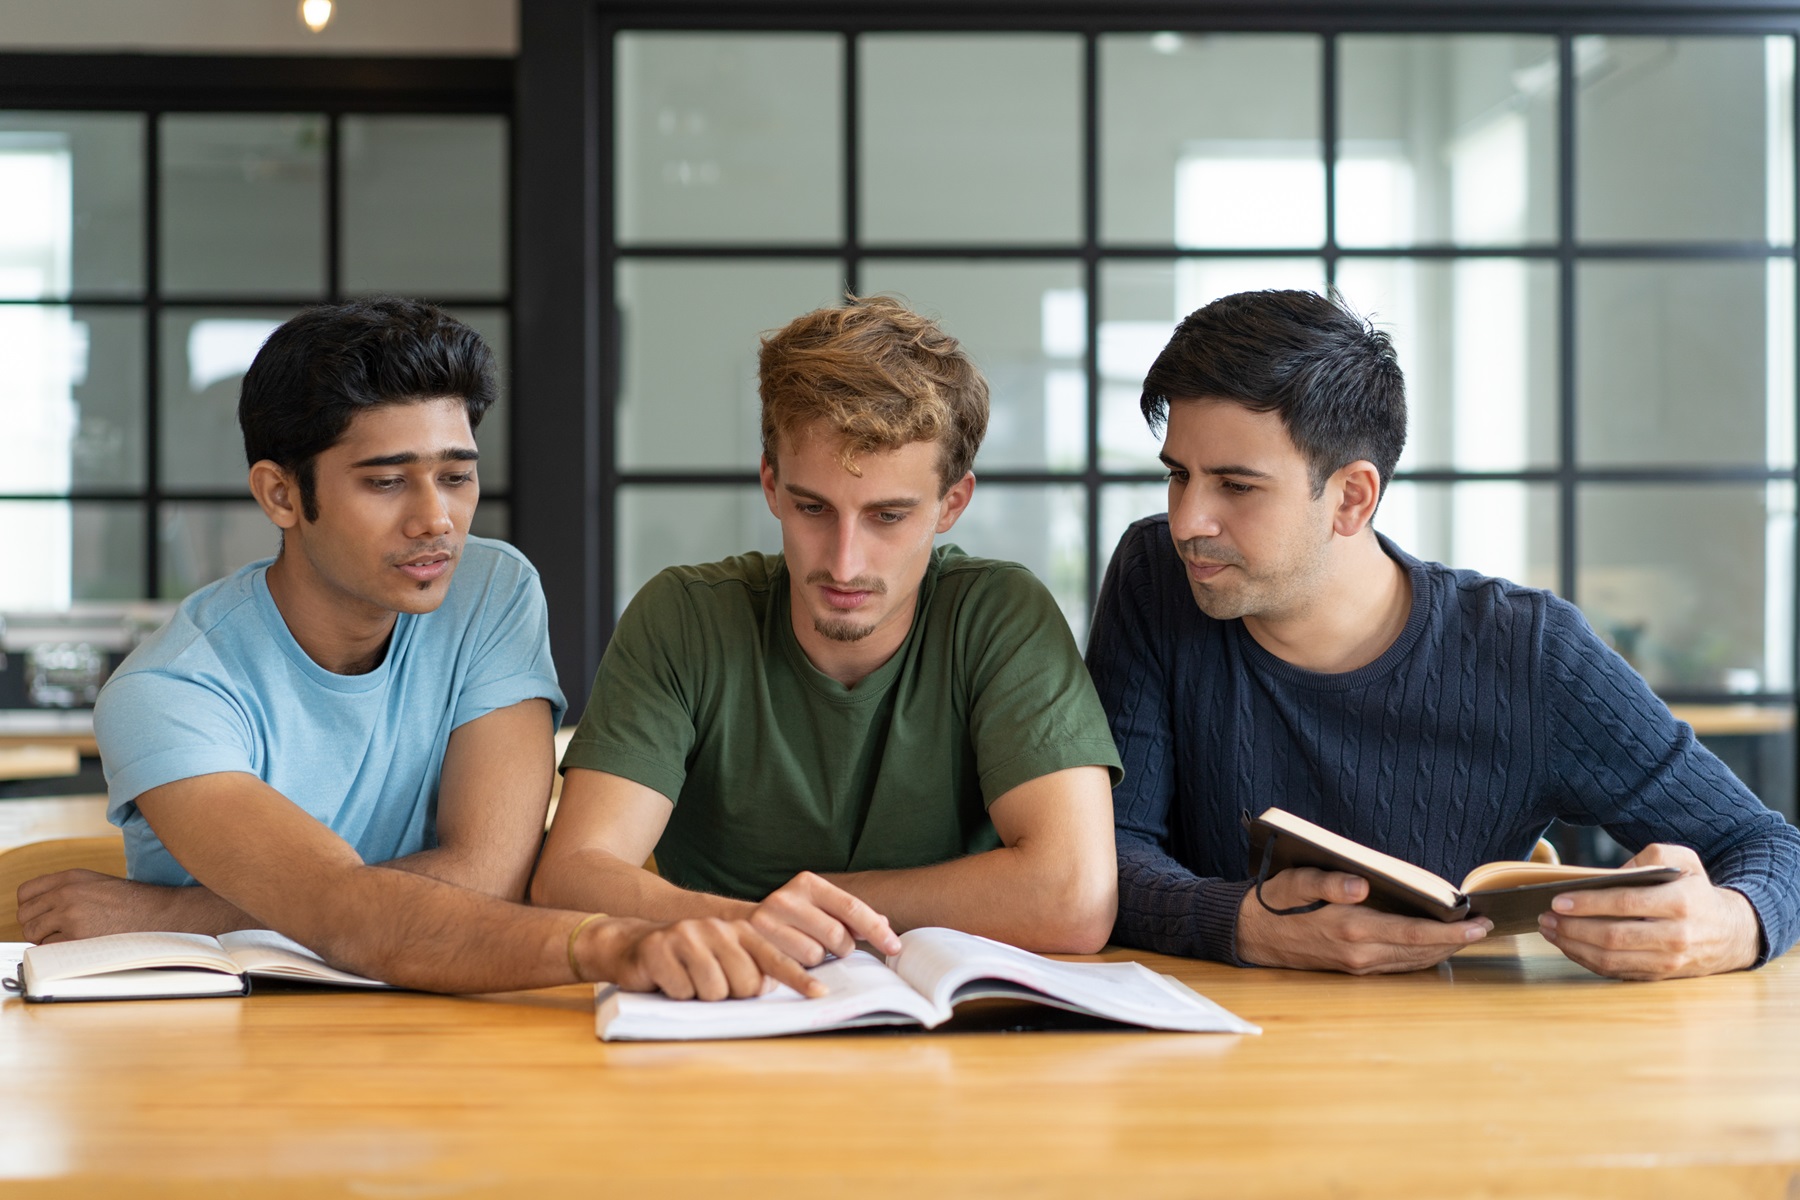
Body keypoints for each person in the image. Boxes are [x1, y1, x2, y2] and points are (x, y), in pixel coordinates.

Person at [16, 299, 834, 1000]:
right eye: (384, 481)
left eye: (455, 476)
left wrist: (173, 916)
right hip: (230, 1035)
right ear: (280, 493)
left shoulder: (489, 590)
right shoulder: (169, 691)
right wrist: (608, 945)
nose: (435, 520)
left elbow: (494, 873)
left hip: (453, 1010)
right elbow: (341, 909)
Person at [1089, 288, 1800, 981]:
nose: (1188, 522)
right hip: (1204, 1060)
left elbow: (1770, 846)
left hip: (1451, 1065)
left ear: (1351, 497)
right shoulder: (1158, 580)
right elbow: (1105, 855)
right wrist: (1246, 926)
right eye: (1179, 476)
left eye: (1236, 486)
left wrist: (1730, 925)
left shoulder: (1528, 652)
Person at [532, 295, 1123, 963]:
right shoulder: (685, 618)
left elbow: (1073, 899)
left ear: (951, 503)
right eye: (813, 508)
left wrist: (805, 906)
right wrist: (758, 926)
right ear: (771, 486)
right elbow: (570, 876)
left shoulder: (999, 616)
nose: (844, 562)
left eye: (888, 516)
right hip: (726, 1015)